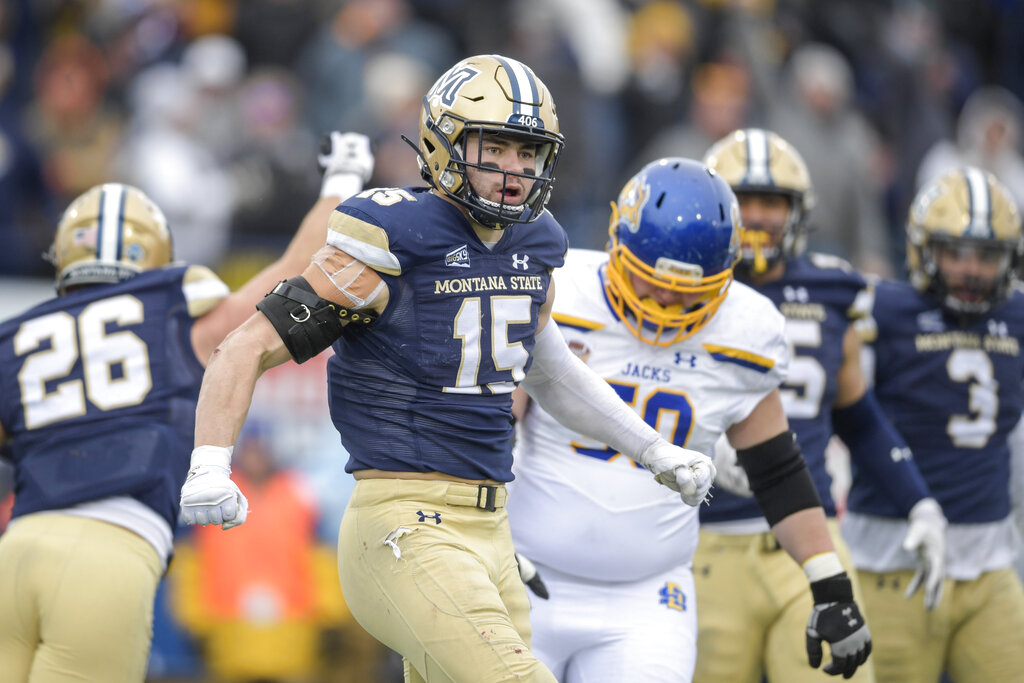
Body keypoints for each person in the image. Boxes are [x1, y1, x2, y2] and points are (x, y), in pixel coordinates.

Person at [175, 54, 717, 683]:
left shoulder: (533, 243)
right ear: (443, 141)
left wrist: (652, 450)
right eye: (497, 147)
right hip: (403, 520)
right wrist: (211, 460)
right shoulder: (390, 237)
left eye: (528, 152)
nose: (514, 169)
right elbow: (244, 346)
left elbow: (554, 373)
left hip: (493, 530)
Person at [0, 131, 375, 682]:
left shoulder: (15, 337)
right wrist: (342, 181)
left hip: (17, 551)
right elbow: (299, 271)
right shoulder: (173, 311)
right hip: (109, 551)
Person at [506, 156, 873, 683]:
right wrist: (487, 536)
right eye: (650, 281)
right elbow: (496, 424)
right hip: (523, 573)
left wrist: (829, 582)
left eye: (687, 291)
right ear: (617, 247)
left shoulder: (746, 329)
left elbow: (777, 469)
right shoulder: (558, 289)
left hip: (647, 598)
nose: (664, 300)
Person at [689, 128, 949, 683]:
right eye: (742, 201)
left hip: (813, 541)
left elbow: (859, 417)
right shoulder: (678, 286)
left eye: (771, 202)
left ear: (797, 212)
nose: (756, 216)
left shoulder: (834, 290)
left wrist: (918, 501)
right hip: (704, 540)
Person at [840, 165, 1024, 683]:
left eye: (987, 256)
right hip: (891, 560)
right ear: (924, 248)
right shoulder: (885, 310)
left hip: (991, 565)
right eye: (956, 252)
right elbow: (848, 413)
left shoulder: (1016, 316)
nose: (970, 269)